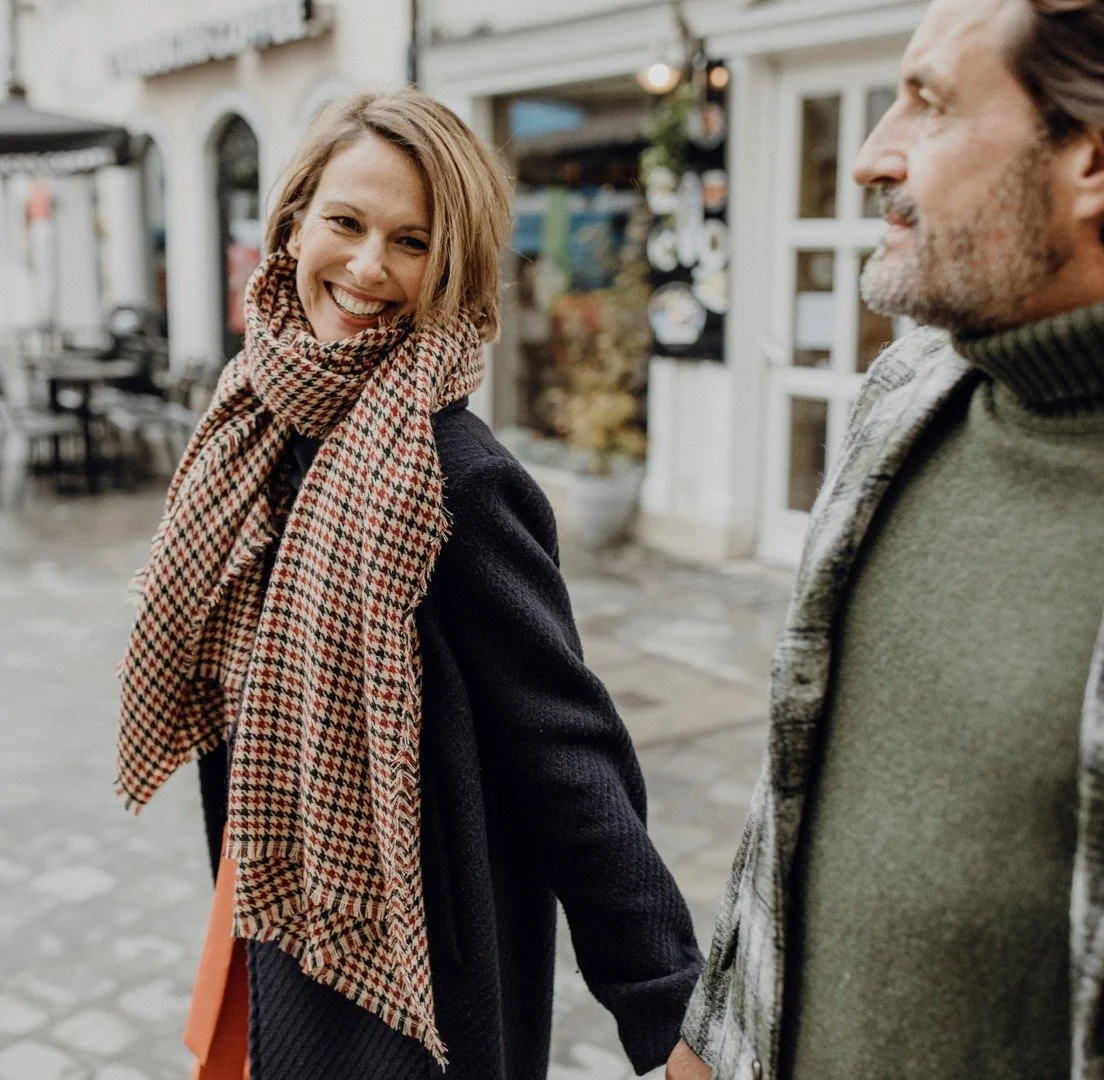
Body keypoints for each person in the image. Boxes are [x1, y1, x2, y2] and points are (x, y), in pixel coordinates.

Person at [667, 0, 1104, 1077]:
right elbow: (792, 802)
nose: (870, 157)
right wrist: (708, 1041)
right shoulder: (899, 404)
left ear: (1098, 159)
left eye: (926, 103)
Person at [115, 87, 702, 1080]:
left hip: (413, 950)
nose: (367, 266)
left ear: (450, 266)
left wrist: (662, 1009)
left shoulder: (454, 475)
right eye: (346, 222)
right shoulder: (260, 414)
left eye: (411, 241)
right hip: (269, 892)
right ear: (293, 221)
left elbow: (567, 752)